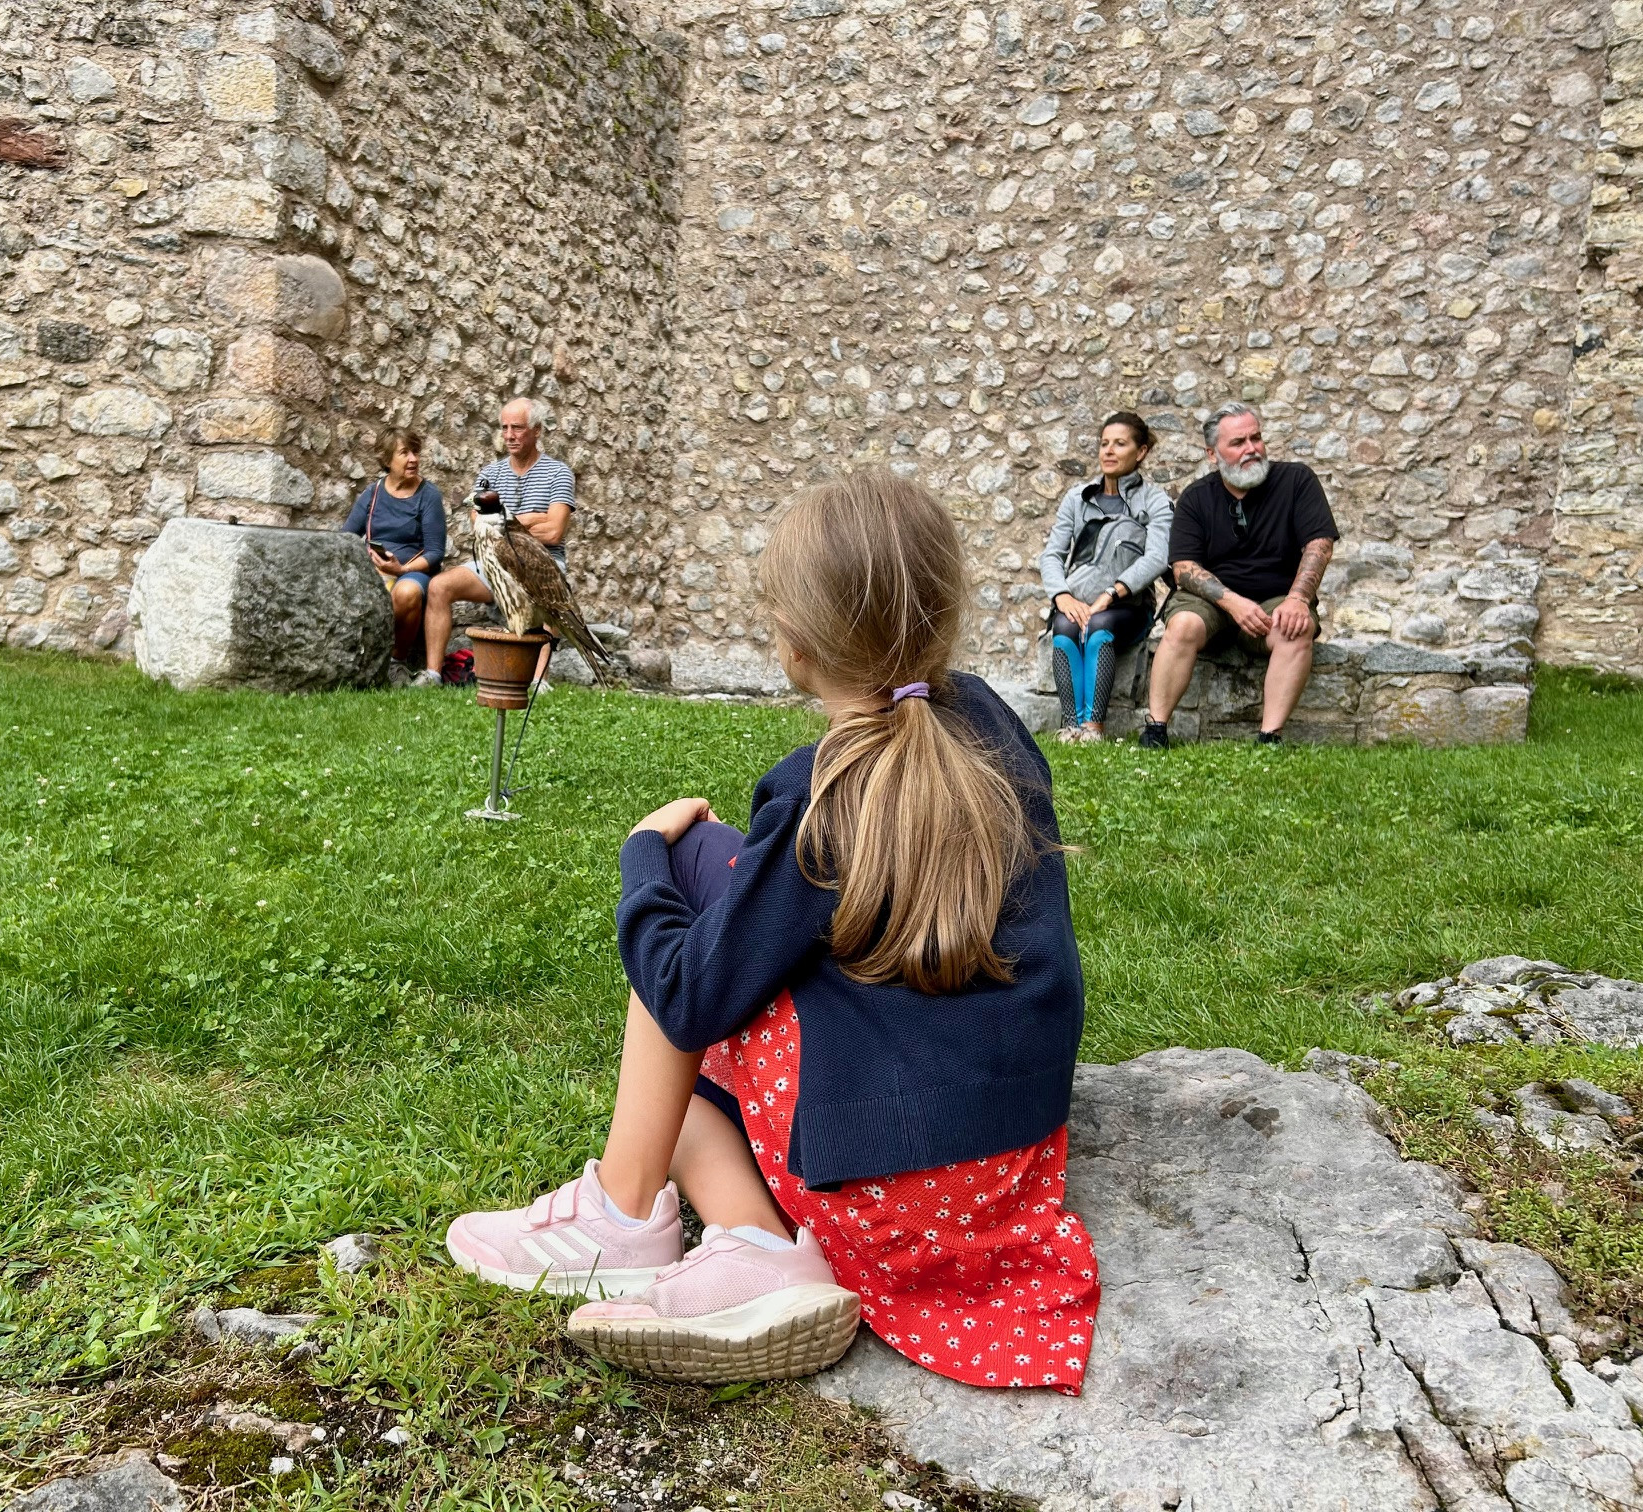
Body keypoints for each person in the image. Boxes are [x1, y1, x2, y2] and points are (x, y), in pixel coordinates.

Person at [445, 469, 1101, 1392]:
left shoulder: (820, 794)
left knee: (688, 916)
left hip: (894, 1194)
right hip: (1005, 1164)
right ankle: (754, 1244)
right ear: (944, 608)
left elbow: (687, 995)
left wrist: (645, 858)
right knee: (704, 969)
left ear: (793, 640)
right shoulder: (991, 723)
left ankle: (627, 1214)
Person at [1138, 403, 1339, 747]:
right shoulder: (1196, 497)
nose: (1251, 449)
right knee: (1183, 625)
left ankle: (1269, 737)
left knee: (1297, 626)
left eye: (1256, 438)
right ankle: (1156, 730)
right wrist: (1233, 603)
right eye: (1238, 442)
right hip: (1212, 602)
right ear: (1212, 454)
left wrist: (1298, 599)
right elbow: (1183, 568)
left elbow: (1319, 545)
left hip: (1276, 597)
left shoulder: (1296, 480)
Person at [416, 397, 576, 688]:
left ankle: (539, 681)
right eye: (504, 428)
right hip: (492, 562)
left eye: (517, 428)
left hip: (542, 565)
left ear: (537, 430)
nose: (509, 435)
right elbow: (479, 525)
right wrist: (532, 518)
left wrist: (506, 522)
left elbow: (554, 531)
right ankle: (433, 675)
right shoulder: (490, 475)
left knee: (548, 600)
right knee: (439, 586)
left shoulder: (558, 473)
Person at [1039, 411, 1173, 743]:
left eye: (1120, 444)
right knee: (1064, 626)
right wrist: (1062, 596)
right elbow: (1052, 554)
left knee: (1099, 624)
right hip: (1078, 601)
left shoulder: (1155, 500)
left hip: (1129, 607)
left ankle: (1093, 729)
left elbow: (1158, 557)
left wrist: (1112, 593)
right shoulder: (1077, 498)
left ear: (1141, 452)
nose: (1109, 451)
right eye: (1104, 444)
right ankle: (1071, 727)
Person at [340, 429, 445, 663]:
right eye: (405, 453)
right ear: (387, 460)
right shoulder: (373, 492)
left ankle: (396, 661)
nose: (413, 459)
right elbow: (346, 537)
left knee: (406, 592)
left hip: (413, 572)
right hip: (375, 570)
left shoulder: (429, 496)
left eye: (415, 452)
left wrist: (401, 570)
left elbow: (435, 552)